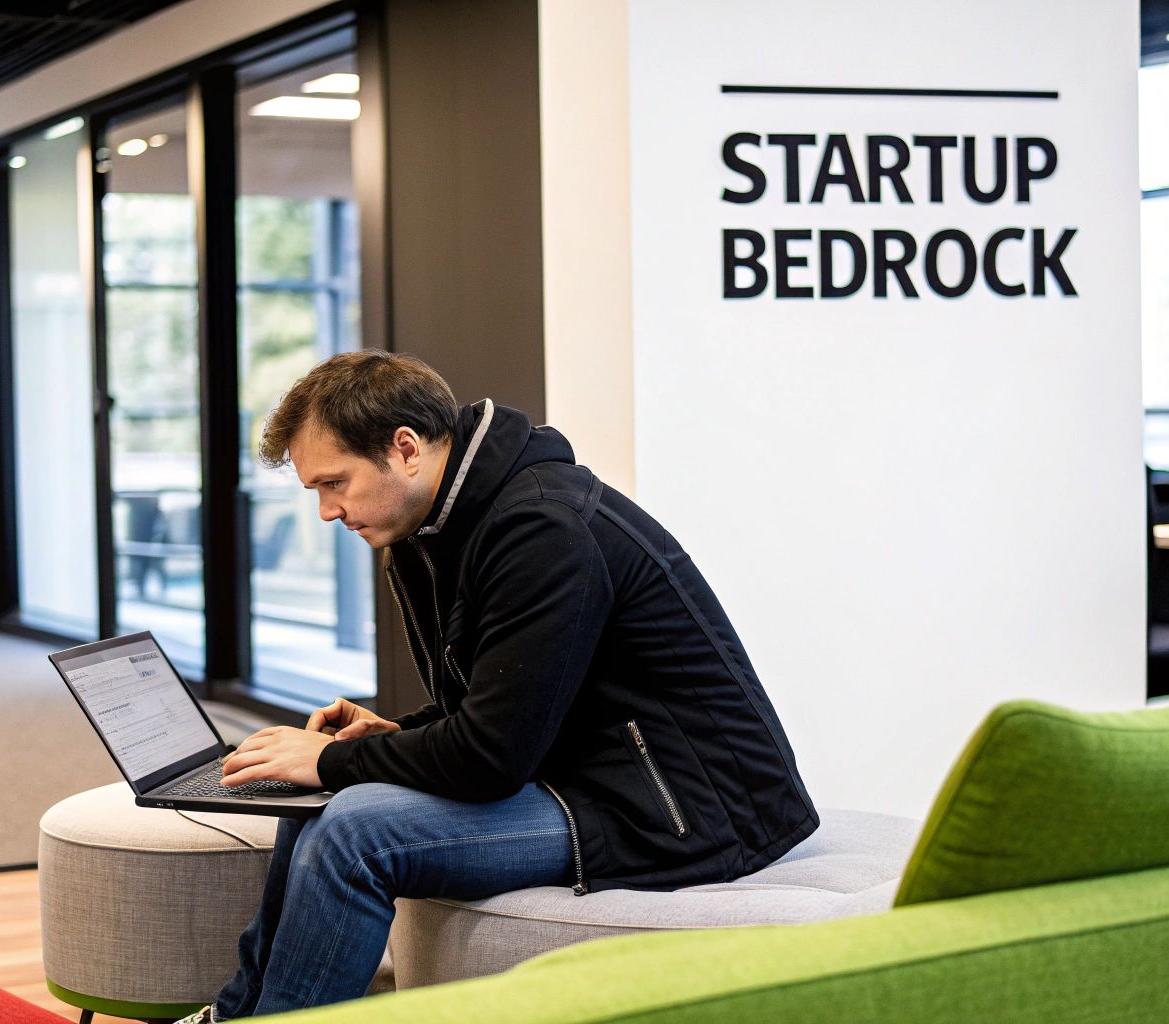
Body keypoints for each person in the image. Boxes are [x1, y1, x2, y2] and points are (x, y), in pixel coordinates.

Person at [188, 351, 817, 1020]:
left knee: (352, 832)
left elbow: (490, 758)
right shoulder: (430, 529)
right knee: (316, 793)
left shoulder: (545, 529)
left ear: (405, 449)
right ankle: (238, 1014)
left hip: (682, 811)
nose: (326, 511)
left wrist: (334, 758)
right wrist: (397, 736)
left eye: (334, 483)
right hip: (578, 772)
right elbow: (494, 707)